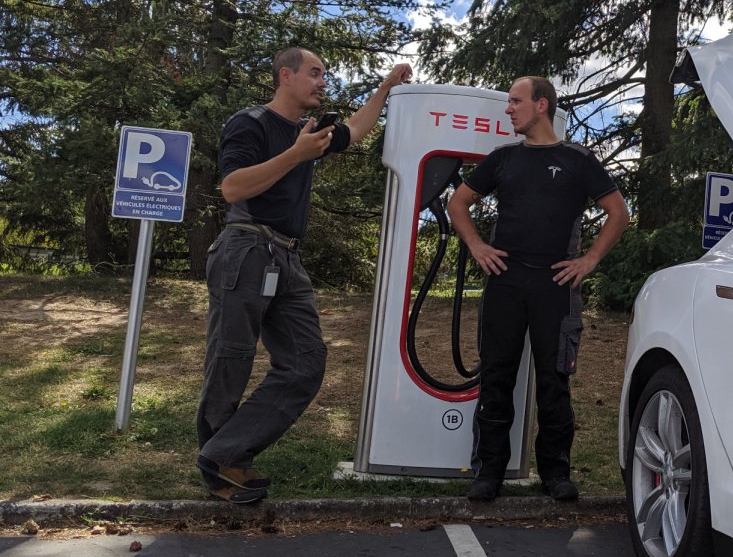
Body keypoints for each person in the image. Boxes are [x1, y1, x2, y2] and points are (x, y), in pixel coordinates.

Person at [196, 47, 413, 503]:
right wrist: (295, 155)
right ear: (285, 76)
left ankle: (223, 452)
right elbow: (233, 187)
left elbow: (355, 129)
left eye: (324, 74)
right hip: (247, 248)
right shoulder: (250, 122)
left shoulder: (310, 132)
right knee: (230, 359)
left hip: (287, 259)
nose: (322, 81)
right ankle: (222, 469)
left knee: (306, 363)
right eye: (315, 73)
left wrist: (387, 89)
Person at [447, 76, 630, 502]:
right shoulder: (503, 159)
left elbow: (618, 213)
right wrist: (478, 247)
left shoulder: (577, 160)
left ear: (541, 104)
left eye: (515, 101)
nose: (508, 109)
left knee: (554, 380)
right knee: (496, 376)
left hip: (556, 285)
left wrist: (589, 261)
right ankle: (488, 471)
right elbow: (458, 204)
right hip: (506, 282)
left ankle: (555, 473)